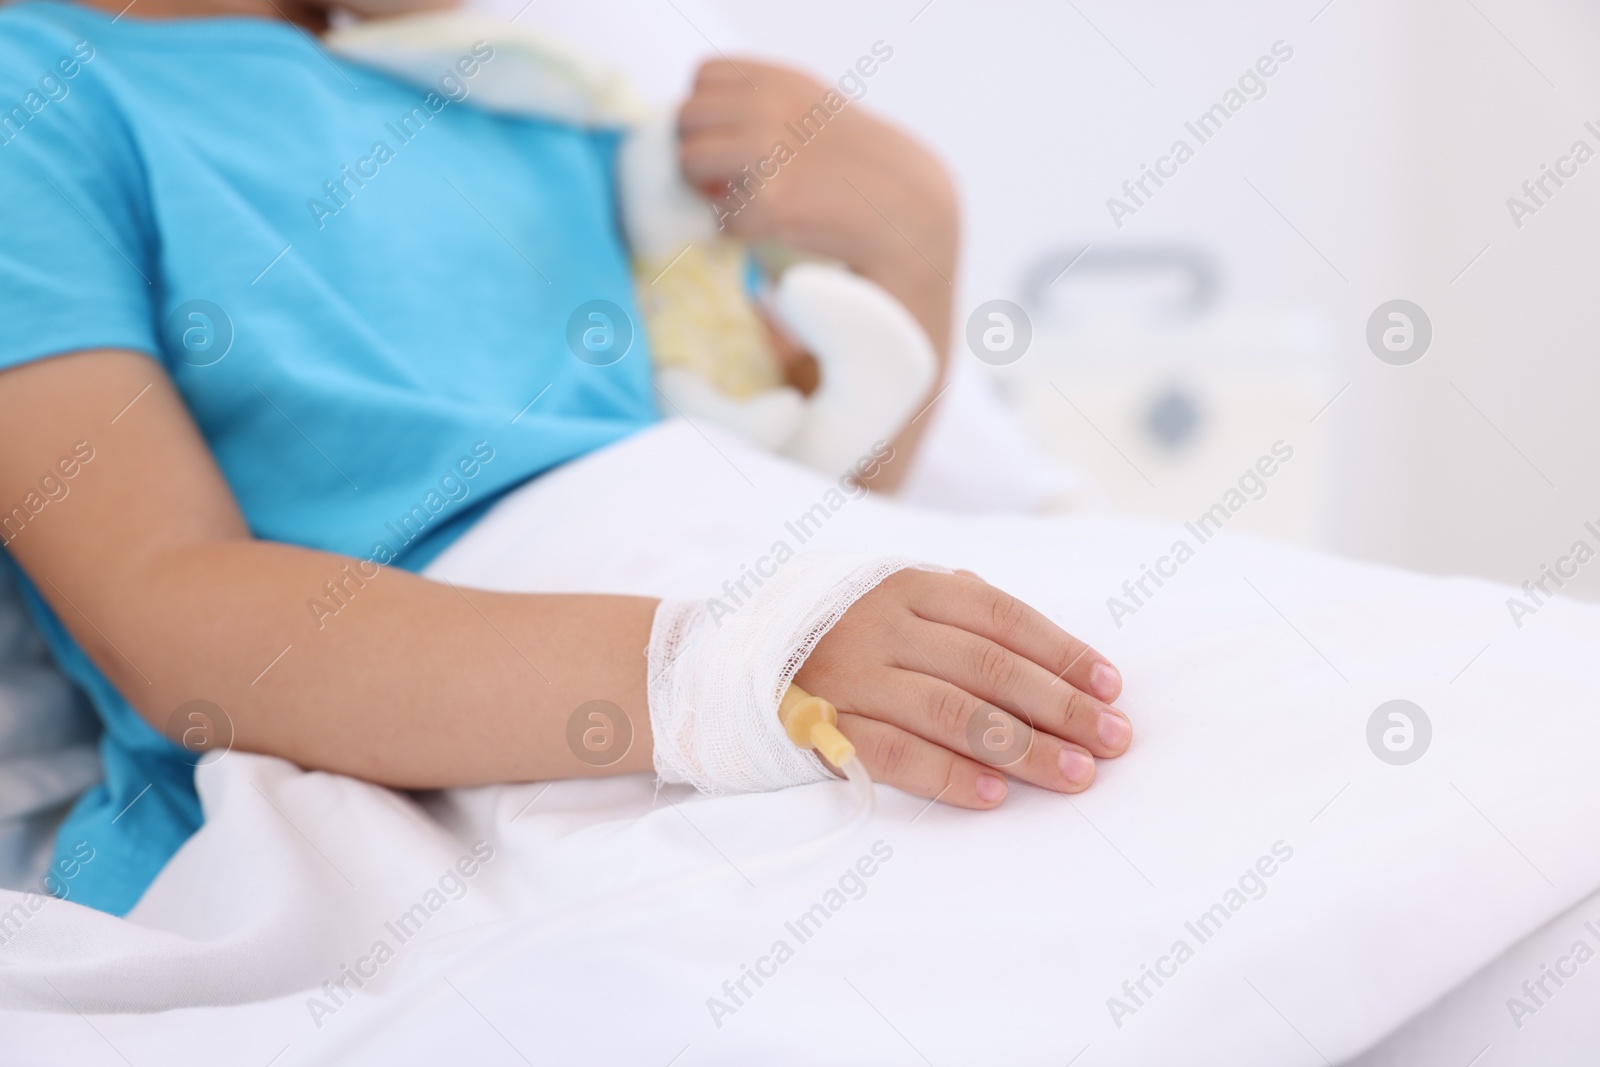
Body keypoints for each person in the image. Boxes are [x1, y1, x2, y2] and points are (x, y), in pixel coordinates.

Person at [0, 0, 1132, 915]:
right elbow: (167, 604)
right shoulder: (38, 90)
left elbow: (810, 533)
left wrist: (916, 261)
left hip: (713, 621)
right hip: (442, 718)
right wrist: (721, 667)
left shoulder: (537, 98)